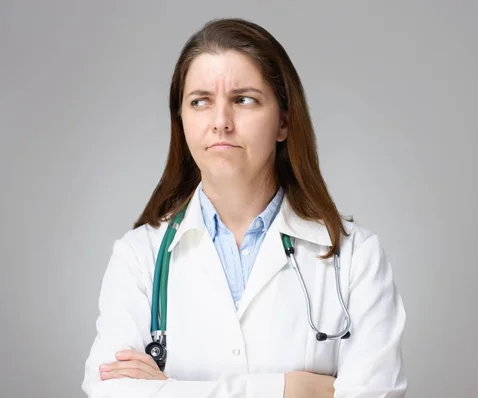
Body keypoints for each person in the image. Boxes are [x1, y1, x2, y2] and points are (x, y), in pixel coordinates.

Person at [81, 17, 408, 398]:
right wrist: (293, 390)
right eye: (200, 101)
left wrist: (168, 390)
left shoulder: (354, 257)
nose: (221, 122)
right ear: (181, 119)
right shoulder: (139, 256)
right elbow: (109, 390)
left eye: (243, 100)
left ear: (284, 121)